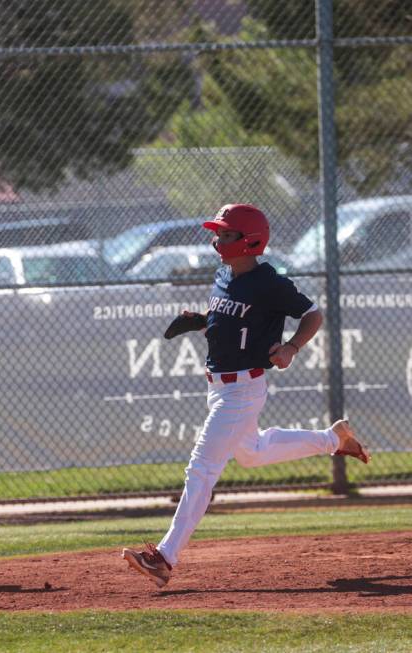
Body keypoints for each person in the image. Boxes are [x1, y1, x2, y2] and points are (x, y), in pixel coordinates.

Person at [121, 203, 370, 589]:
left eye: (226, 233)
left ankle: (164, 558)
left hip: (242, 389)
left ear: (250, 240)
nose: (217, 239)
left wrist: (291, 347)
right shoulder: (223, 275)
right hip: (219, 388)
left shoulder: (268, 282)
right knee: (253, 452)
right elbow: (235, 322)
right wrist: (203, 323)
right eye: (218, 232)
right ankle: (333, 439)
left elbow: (313, 314)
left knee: (201, 469)